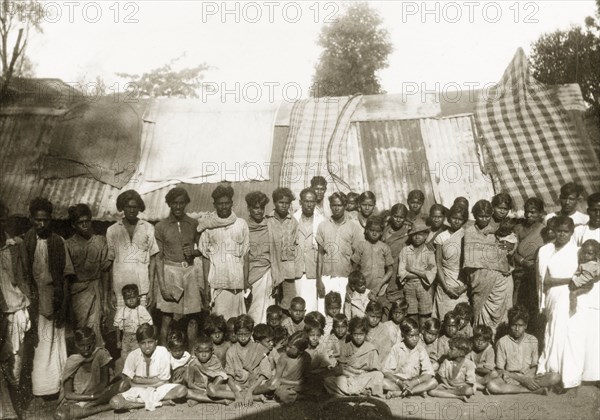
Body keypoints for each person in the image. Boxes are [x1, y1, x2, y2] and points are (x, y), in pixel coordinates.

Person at [24, 197, 75, 397]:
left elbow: (66, 276)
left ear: (50, 219)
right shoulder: (24, 242)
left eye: (45, 220)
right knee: (38, 344)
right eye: (38, 220)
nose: (42, 224)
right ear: (31, 219)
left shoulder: (58, 241)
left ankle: (56, 386)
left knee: (55, 342)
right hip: (33, 299)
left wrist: (62, 301)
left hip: (54, 297)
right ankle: (40, 388)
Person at [155, 187, 203, 347]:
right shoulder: (161, 226)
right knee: (167, 319)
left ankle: (193, 356)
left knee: (193, 318)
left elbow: (204, 248)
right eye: (174, 203)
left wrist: (194, 252)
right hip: (170, 273)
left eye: (181, 203)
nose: (178, 206)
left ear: (186, 203)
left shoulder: (193, 223)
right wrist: (162, 286)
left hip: (189, 272)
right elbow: (159, 258)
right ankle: (162, 357)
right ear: (169, 204)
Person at [0, 199, 32, 419]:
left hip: (14, 309)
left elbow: (22, 278)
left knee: (15, 361)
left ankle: (14, 407)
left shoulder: (14, 245)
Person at [536, 216, 579, 381]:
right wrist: (569, 279)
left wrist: (570, 282)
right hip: (552, 294)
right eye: (558, 231)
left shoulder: (576, 252)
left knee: (563, 330)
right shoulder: (546, 250)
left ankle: (562, 369)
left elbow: (581, 277)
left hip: (569, 295)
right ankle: (550, 366)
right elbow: (544, 280)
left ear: (571, 233)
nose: (561, 235)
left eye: (565, 232)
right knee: (551, 329)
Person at [109, 323, 187, 411]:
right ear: (138, 344)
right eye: (143, 343)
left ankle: (136, 404)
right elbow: (129, 381)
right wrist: (153, 380)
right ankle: (160, 402)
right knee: (114, 402)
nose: (147, 346)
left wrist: (138, 380)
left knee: (182, 390)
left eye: (150, 342)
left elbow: (164, 382)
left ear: (156, 341)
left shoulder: (162, 352)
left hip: (159, 390)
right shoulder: (133, 355)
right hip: (138, 390)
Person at [199, 185, 250, 320]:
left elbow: (246, 255)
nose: (224, 207)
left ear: (232, 203)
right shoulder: (207, 226)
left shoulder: (241, 224)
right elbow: (205, 258)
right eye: (220, 204)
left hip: (236, 284)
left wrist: (245, 281)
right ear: (215, 205)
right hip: (217, 285)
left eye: (227, 203)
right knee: (219, 326)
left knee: (237, 325)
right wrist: (206, 286)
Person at [463, 200, 513, 334]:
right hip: (479, 280)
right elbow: (471, 258)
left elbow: (506, 250)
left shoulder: (497, 232)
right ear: (474, 215)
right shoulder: (469, 232)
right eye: (480, 216)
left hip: (499, 280)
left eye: (487, 216)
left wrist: (501, 248)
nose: (484, 219)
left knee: (499, 315)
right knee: (480, 315)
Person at [105, 190, 158, 311]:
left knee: (143, 326)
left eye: (135, 207)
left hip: (142, 288)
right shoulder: (112, 231)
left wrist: (151, 290)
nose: (132, 210)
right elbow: (110, 262)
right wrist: (112, 291)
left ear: (139, 208)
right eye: (128, 207)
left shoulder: (148, 228)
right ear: (122, 208)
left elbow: (153, 259)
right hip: (120, 288)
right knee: (123, 325)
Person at [487, 306, 559, 394]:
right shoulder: (502, 342)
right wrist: (522, 380)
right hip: (510, 378)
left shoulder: (532, 340)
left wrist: (528, 378)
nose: (517, 329)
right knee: (492, 385)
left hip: (529, 376)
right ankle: (530, 390)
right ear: (510, 325)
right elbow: (500, 370)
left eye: (520, 325)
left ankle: (517, 389)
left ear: (526, 326)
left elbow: (534, 365)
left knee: (555, 377)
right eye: (514, 325)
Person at [56, 328, 124, 420]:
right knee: (61, 416)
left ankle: (88, 409)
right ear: (76, 344)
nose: (86, 349)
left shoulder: (101, 354)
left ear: (94, 342)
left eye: (89, 345)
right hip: (78, 399)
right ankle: (105, 407)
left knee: (123, 384)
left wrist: (97, 394)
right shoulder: (72, 360)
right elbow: (68, 394)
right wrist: (91, 397)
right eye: (82, 345)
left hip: (98, 395)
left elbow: (104, 381)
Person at [65, 204, 108, 347]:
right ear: (73, 225)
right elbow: (67, 276)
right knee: (81, 330)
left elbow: (105, 271)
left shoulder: (100, 241)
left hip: (96, 289)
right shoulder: (68, 244)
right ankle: (82, 364)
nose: (84, 224)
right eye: (80, 222)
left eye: (87, 221)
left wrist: (106, 300)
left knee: (96, 328)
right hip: (77, 293)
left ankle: (97, 362)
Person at [562, 239, 600, 390]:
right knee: (575, 337)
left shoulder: (594, 267)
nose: (586, 255)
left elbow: (589, 280)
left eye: (590, 253)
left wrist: (576, 284)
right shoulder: (582, 264)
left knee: (595, 341)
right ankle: (572, 377)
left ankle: (595, 375)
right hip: (582, 303)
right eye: (584, 252)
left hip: (594, 303)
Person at [316, 192, 363, 313]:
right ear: (330, 206)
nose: (336, 208)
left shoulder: (353, 227)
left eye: (340, 205)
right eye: (333, 205)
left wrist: (350, 283)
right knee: (323, 312)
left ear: (345, 205)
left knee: (342, 314)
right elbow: (320, 255)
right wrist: (319, 281)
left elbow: (357, 257)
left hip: (344, 279)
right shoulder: (323, 226)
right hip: (326, 278)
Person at [323, 317, 384, 397]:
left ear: (365, 334)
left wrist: (361, 374)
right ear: (351, 334)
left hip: (364, 378)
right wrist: (354, 373)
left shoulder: (370, 348)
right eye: (355, 334)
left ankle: (349, 392)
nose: (358, 337)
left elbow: (376, 369)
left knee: (378, 375)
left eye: (361, 334)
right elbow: (341, 369)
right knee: (328, 380)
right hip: (349, 377)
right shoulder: (346, 347)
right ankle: (362, 392)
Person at [512, 198, 546, 329]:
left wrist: (534, 265)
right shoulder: (518, 228)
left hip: (535, 275)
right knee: (518, 304)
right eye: (527, 212)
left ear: (541, 213)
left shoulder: (544, 230)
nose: (529, 215)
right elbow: (512, 250)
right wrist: (522, 261)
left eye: (533, 212)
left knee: (533, 305)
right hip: (519, 273)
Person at [382, 318, 437, 399]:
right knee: (383, 382)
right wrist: (399, 382)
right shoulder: (396, 348)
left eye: (417, 335)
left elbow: (429, 372)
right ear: (403, 335)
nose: (415, 339)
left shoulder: (420, 349)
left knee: (434, 382)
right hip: (399, 382)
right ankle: (416, 391)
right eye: (411, 335)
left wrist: (413, 383)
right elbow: (386, 371)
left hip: (415, 381)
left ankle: (399, 393)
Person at [225, 315, 272, 405]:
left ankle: (245, 395)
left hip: (256, 385)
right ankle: (253, 397)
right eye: (240, 334)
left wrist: (250, 390)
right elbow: (229, 375)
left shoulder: (259, 348)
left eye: (246, 334)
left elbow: (264, 374)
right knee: (212, 388)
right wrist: (236, 393)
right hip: (238, 385)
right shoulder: (231, 351)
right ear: (235, 333)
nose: (243, 337)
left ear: (251, 333)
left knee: (271, 385)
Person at [398, 220, 436, 328]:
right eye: (414, 234)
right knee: (411, 314)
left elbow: (432, 274)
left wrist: (412, 270)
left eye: (421, 234)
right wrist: (422, 273)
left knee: (425, 314)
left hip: (424, 287)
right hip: (409, 286)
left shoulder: (429, 252)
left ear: (425, 236)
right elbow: (401, 273)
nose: (417, 237)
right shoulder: (405, 251)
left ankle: (423, 338)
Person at [433, 204, 469, 320]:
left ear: (464, 220)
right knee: (445, 320)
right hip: (445, 285)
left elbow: (472, 264)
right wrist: (446, 288)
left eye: (460, 219)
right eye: (454, 218)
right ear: (449, 218)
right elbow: (438, 263)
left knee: (461, 320)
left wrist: (464, 287)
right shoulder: (441, 237)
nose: (457, 221)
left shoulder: (467, 235)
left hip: (462, 286)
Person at [266, 187, 298, 311]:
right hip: (271, 268)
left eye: (287, 203)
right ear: (274, 202)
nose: (284, 206)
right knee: (271, 302)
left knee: (288, 303)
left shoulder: (293, 222)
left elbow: (295, 244)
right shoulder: (267, 220)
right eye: (281, 202)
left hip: (287, 269)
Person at [293, 188, 325, 313]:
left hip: (314, 272)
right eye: (306, 201)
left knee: (312, 308)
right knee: (298, 307)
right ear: (300, 202)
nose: (309, 204)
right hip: (297, 271)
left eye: (312, 201)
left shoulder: (321, 221)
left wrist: (319, 277)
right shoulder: (293, 220)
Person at [244, 191, 274, 324]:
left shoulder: (270, 225)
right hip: (250, 275)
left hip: (268, 274)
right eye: (256, 208)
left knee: (268, 310)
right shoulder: (243, 227)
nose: (259, 211)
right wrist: (245, 280)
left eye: (262, 208)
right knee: (253, 311)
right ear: (249, 208)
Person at [351, 215, 394, 299]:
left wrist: (379, 286)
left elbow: (390, 270)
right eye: (371, 230)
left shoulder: (385, 247)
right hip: (362, 289)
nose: (374, 233)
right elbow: (353, 269)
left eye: (377, 231)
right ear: (366, 230)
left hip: (379, 290)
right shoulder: (361, 246)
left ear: (381, 232)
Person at [113, 284, 153, 371]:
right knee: (125, 356)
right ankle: (127, 373)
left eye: (133, 297)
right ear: (124, 299)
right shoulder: (121, 311)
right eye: (128, 298)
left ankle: (139, 371)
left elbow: (148, 324)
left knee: (138, 355)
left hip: (137, 337)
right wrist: (118, 341)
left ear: (138, 297)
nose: (131, 300)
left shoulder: (141, 309)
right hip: (125, 338)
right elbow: (117, 327)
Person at [185, 335, 234, 405]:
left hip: (212, 387)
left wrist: (210, 387)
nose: (204, 355)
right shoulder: (193, 364)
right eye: (200, 352)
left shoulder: (215, 361)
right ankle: (219, 400)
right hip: (199, 388)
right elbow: (190, 384)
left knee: (221, 377)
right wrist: (204, 389)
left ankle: (200, 399)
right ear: (196, 352)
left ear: (212, 351)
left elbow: (222, 375)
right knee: (189, 393)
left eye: (207, 352)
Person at [382, 203, 411, 314]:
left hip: (399, 270)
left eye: (402, 217)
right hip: (385, 269)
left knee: (398, 304)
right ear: (391, 216)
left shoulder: (407, 233)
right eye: (396, 216)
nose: (398, 219)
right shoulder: (385, 230)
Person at [268, 331, 312, 404]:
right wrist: (295, 383)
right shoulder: (284, 357)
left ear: (301, 351)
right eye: (287, 345)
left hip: (299, 387)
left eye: (291, 347)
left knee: (317, 383)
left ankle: (297, 396)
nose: (287, 349)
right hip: (284, 385)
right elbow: (277, 379)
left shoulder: (307, 357)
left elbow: (307, 376)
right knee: (282, 394)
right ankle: (302, 397)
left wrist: (304, 382)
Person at [428, 336, 475, 401]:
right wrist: (448, 385)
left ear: (461, 353)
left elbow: (470, 382)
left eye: (451, 349)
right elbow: (442, 377)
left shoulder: (469, 364)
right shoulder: (447, 361)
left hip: (461, 387)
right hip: (447, 386)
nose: (448, 351)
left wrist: (456, 384)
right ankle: (458, 397)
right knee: (431, 391)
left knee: (469, 390)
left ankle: (451, 393)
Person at [365, 301, 395, 365]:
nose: (375, 320)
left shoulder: (383, 329)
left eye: (378, 317)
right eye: (372, 316)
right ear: (366, 313)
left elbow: (385, 352)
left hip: (378, 363)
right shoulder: (360, 326)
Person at [466, 325, 495, 390]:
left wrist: (474, 367)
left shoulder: (490, 350)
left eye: (483, 341)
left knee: (494, 374)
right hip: (471, 374)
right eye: (477, 340)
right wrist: (479, 366)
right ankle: (478, 385)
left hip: (483, 377)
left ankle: (475, 383)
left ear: (488, 341)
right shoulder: (470, 346)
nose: (479, 343)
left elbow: (488, 370)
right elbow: (465, 362)